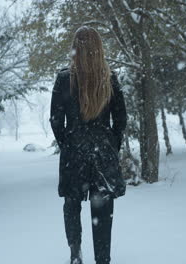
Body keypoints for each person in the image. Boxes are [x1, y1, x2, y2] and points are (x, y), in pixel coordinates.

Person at [49, 26, 127, 264]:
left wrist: (67, 144)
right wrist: (112, 144)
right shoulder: (110, 78)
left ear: (75, 48)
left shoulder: (64, 79)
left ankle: (75, 252)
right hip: (102, 152)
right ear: (98, 49)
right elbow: (121, 119)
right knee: (102, 208)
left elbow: (55, 120)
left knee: (72, 204)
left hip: (75, 152)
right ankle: (102, 258)